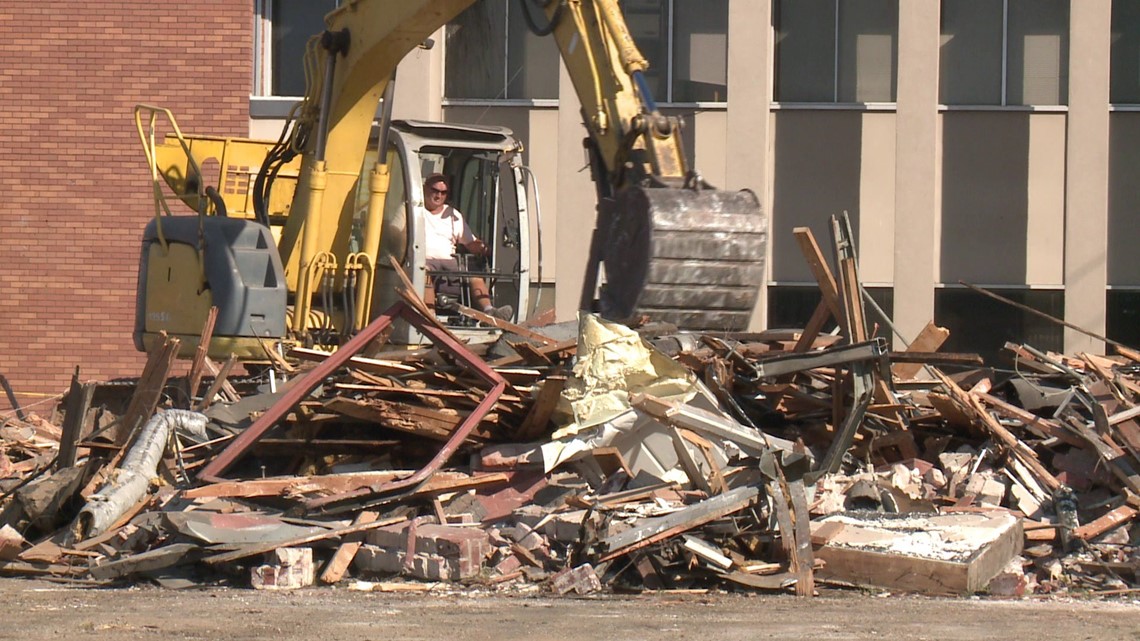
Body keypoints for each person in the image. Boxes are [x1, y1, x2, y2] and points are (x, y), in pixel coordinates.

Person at [420, 174, 513, 320]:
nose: (439, 195)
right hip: (424, 259)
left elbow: (469, 242)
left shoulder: (452, 214)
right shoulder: (414, 210)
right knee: (424, 272)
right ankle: (430, 317)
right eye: (435, 190)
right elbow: (394, 233)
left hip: (449, 261)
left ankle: (490, 313)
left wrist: (482, 248)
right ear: (425, 189)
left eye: (443, 192)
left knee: (473, 273)